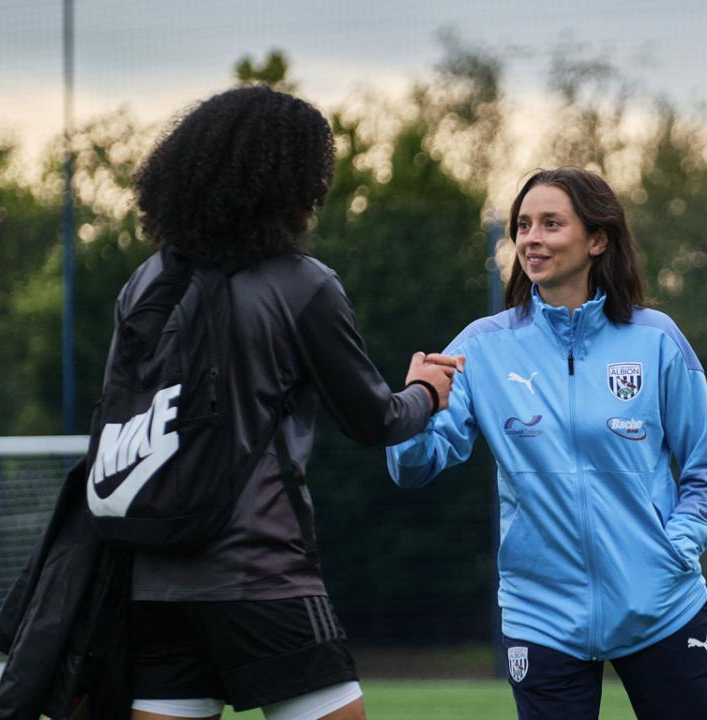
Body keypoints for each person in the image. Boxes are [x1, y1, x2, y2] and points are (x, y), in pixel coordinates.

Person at [118, 85, 460, 720]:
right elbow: (374, 420)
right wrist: (426, 392)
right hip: (260, 573)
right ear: (289, 182)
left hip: (154, 577)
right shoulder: (302, 284)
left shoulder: (147, 281)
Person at [387, 167, 707, 719]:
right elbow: (415, 466)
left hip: (662, 605)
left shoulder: (657, 339)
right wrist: (415, 406)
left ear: (597, 239)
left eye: (551, 223)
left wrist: (672, 551)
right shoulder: (482, 348)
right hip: (540, 616)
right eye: (523, 225)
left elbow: (705, 468)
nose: (532, 238)